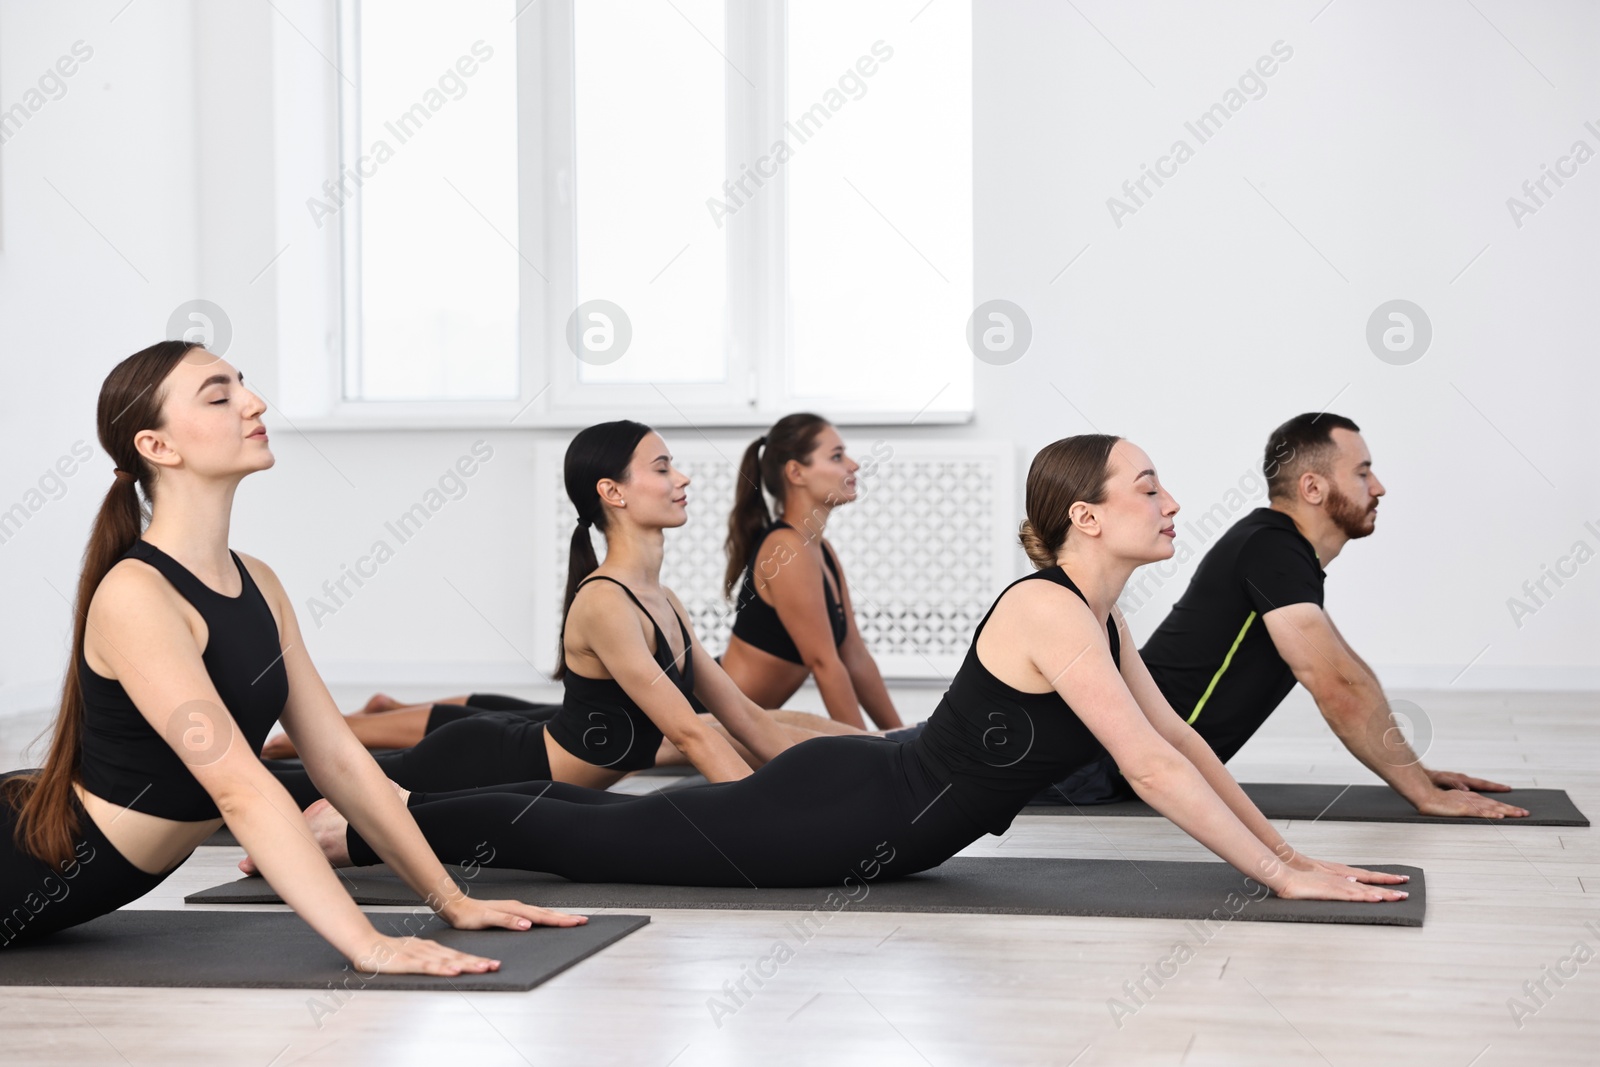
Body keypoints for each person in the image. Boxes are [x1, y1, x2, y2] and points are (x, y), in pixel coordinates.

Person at [256, 434, 1412, 909]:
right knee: (580, 835)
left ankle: (369, 808)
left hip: (868, 794)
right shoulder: (1050, 613)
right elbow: (1150, 769)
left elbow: (1188, 746)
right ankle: (356, 826)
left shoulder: (1099, 624)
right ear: (1084, 518)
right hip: (840, 815)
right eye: (1146, 486)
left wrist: (1289, 854)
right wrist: (1279, 874)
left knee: (578, 816)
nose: (1167, 501)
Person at [0, 342, 582, 966]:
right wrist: (369, 945)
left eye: (242, 386)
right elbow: (239, 791)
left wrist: (451, 900)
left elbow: (340, 761)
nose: (255, 403)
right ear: (157, 447)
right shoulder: (136, 596)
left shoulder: (259, 582)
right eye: (220, 397)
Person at [260, 421, 807, 811]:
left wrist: (816, 785)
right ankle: (204, 763)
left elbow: (742, 716)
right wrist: (774, 816)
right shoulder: (605, 602)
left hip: (514, 747)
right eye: (663, 468)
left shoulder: (665, 602)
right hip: (486, 764)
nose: (681, 479)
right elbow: (690, 734)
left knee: (307, 784)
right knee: (297, 789)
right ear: (612, 492)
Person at [1027, 414, 1528, 817]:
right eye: (1361, 472)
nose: (1378, 487)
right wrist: (1424, 794)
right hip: (1089, 768)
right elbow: (1334, 681)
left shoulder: (1275, 548)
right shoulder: (1270, 546)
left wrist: (1415, 771)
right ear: (1312, 488)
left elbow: (1346, 670)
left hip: (1110, 759)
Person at [717, 414, 904, 730]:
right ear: (795, 472)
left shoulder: (821, 549)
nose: (854, 464)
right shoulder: (787, 549)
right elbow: (824, 665)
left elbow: (854, 656)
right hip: (709, 717)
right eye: (836, 456)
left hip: (747, 723)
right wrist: (870, 751)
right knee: (818, 739)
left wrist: (902, 737)